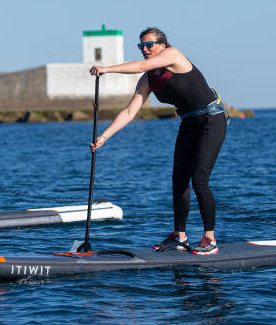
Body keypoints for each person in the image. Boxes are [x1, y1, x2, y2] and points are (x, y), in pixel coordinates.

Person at [89, 27, 227, 255]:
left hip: (211, 120)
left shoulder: (174, 55)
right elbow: (130, 111)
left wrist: (106, 69)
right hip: (189, 122)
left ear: (162, 45)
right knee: (178, 180)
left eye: (149, 44)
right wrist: (104, 137)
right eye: (141, 46)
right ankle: (180, 237)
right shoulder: (148, 79)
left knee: (199, 179)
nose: (144, 49)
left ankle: (209, 239)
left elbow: (142, 65)